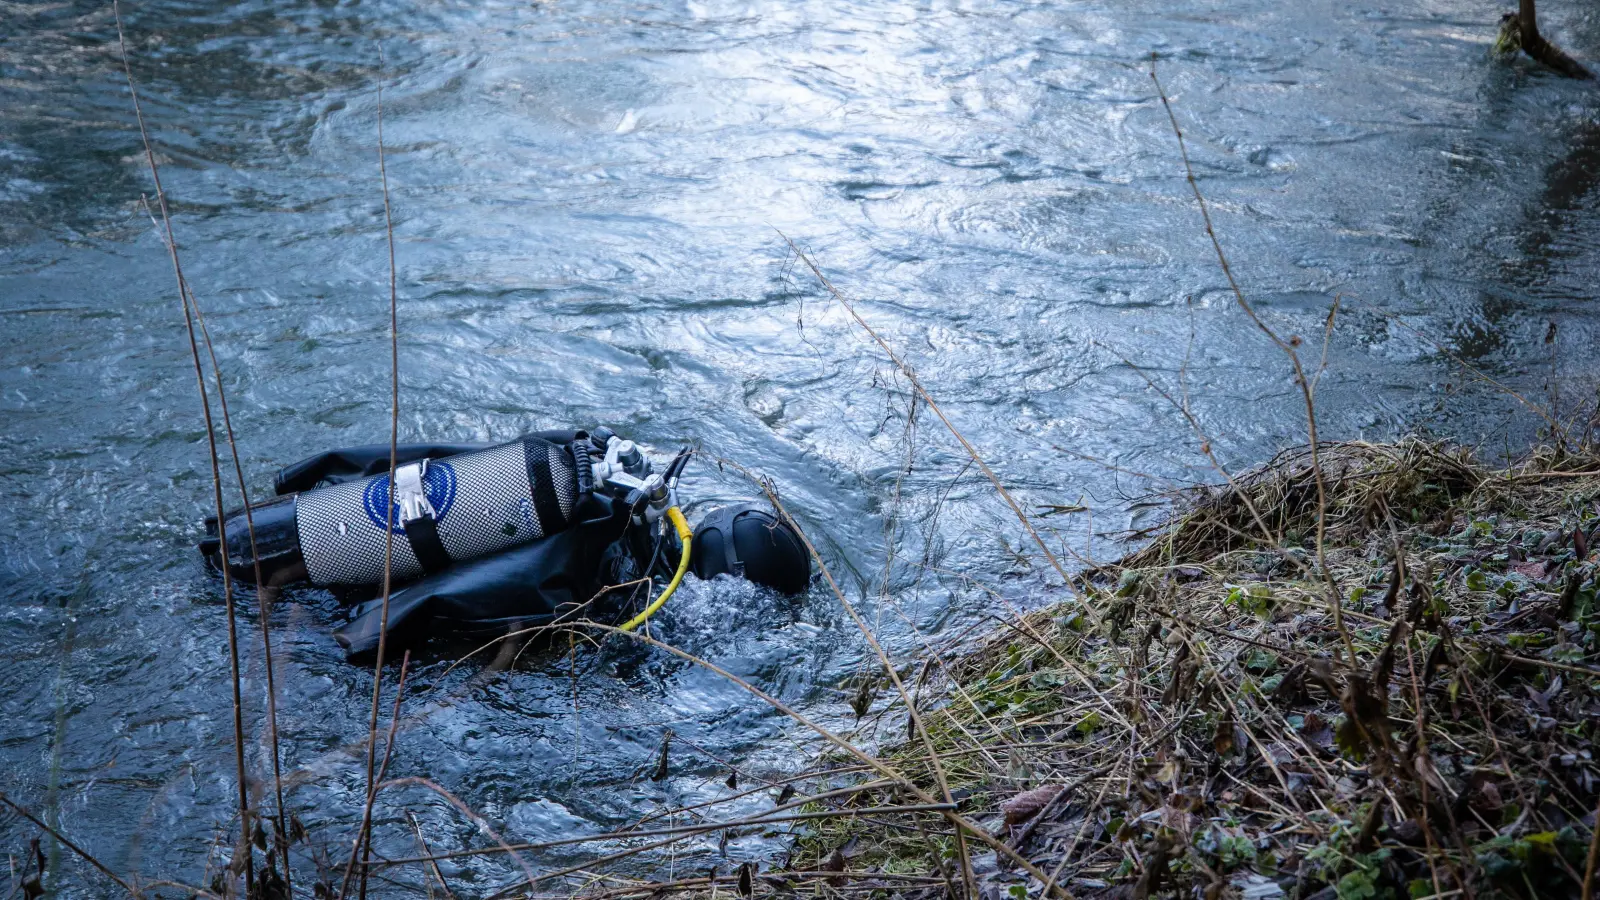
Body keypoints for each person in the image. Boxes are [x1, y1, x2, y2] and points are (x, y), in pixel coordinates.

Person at [199, 427, 810, 662]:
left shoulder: (602, 496)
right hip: (325, 611)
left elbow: (432, 460)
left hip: (305, 542)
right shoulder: (624, 605)